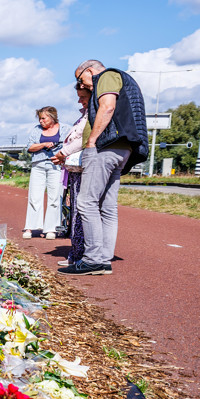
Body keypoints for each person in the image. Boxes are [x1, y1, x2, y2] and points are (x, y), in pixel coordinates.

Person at [60, 60, 149, 275]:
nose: (83, 85)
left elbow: (108, 107)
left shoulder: (107, 76)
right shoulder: (126, 80)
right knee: (107, 207)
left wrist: (92, 141)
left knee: (86, 202)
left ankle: (92, 259)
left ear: (89, 70)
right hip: (123, 149)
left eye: (81, 79)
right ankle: (104, 259)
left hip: (105, 147)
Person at [52, 84, 91, 265]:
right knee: (75, 208)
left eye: (82, 97)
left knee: (80, 210)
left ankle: (79, 255)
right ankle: (76, 253)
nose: (79, 101)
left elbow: (84, 139)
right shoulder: (84, 115)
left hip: (83, 167)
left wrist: (63, 153)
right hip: (75, 168)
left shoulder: (91, 115)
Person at [23, 107, 62, 239]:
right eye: (39, 118)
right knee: (34, 196)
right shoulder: (36, 129)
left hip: (56, 165)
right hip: (38, 165)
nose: (41, 121)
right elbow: (29, 147)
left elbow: (68, 145)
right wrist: (44, 144)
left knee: (54, 197)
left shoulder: (65, 129)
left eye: (43, 118)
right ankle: (31, 226)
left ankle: (51, 228)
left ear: (52, 117)